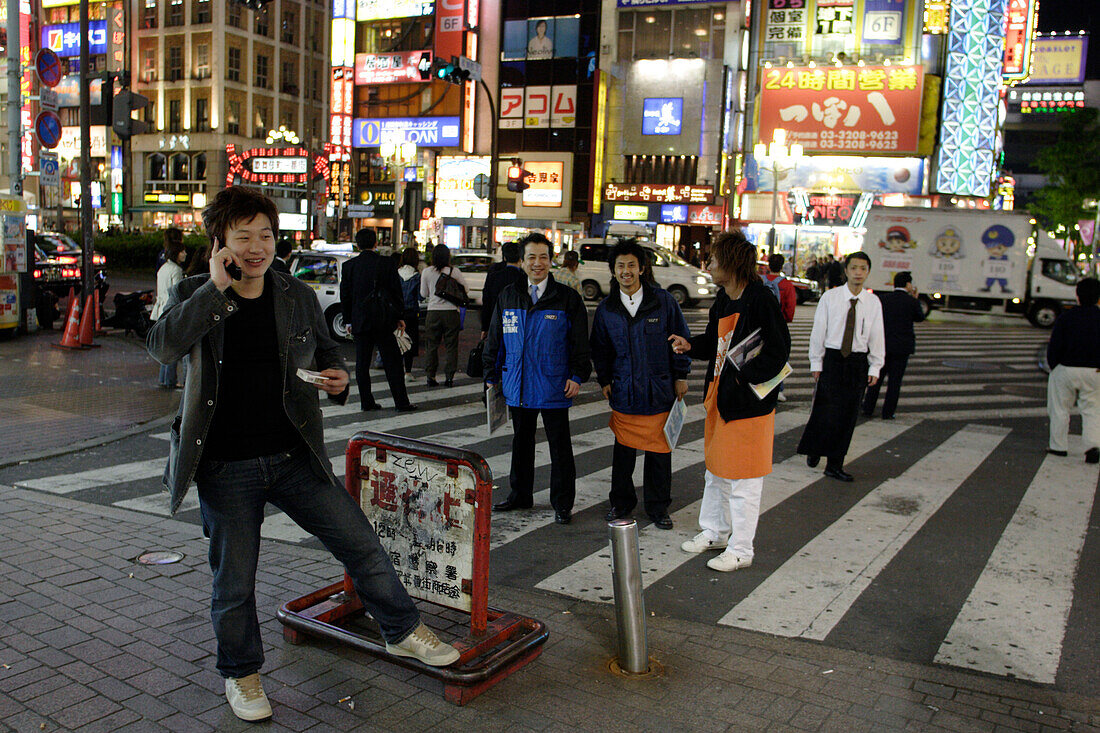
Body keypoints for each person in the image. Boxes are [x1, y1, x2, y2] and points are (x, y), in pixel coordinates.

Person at [146, 187, 457, 723]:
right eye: (242, 237)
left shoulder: (295, 295)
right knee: (235, 581)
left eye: (264, 235)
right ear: (219, 241)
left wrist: (337, 380)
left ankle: (403, 631)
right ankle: (240, 673)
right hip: (225, 466)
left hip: (293, 457)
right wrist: (216, 291)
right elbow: (162, 347)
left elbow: (328, 352)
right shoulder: (197, 291)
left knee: (359, 542)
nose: (255, 248)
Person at [669, 230, 790, 571]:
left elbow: (779, 353)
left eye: (713, 259)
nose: (708, 264)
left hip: (748, 404)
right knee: (717, 473)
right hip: (720, 397)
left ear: (732, 263)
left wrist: (742, 377)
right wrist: (690, 345)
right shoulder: (724, 297)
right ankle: (714, 532)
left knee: (744, 480)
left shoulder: (761, 300)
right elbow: (714, 339)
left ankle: (741, 549)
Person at [483, 232, 591, 525]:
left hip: (555, 384)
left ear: (551, 259)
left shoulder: (566, 298)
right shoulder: (508, 294)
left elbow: (580, 342)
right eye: (531, 257)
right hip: (517, 382)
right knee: (521, 442)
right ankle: (520, 495)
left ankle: (562, 503)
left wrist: (578, 375)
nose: (537, 263)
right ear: (522, 260)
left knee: (560, 446)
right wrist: (491, 375)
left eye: (543, 257)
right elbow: (496, 338)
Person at [591, 240, 690, 529]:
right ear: (613, 270)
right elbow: (600, 348)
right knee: (623, 454)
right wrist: (605, 380)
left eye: (631, 265)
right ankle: (620, 504)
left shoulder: (663, 301)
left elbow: (679, 340)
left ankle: (658, 508)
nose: (626, 271)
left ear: (642, 268)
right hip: (624, 390)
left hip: (660, 389)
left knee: (660, 453)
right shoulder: (607, 309)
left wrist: (681, 376)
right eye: (620, 266)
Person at [797, 251, 885, 481]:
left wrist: (875, 366)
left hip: (857, 362)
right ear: (845, 271)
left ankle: (834, 464)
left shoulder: (873, 302)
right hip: (833, 359)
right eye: (854, 268)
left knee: (848, 415)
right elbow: (819, 331)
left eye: (863, 269)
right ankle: (815, 448)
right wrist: (816, 361)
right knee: (825, 410)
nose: (858, 273)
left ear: (868, 272)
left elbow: (877, 336)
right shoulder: (831, 298)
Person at [340, 228, 417, 412]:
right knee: (393, 362)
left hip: (360, 320)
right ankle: (401, 402)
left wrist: (348, 320)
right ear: (376, 243)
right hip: (383, 319)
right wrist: (399, 316)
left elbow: (346, 296)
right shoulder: (386, 263)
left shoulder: (349, 266)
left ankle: (366, 402)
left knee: (362, 363)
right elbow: (395, 291)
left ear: (357, 244)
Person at [1046, 277, 1100, 463]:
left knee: (1060, 408)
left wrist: (1055, 368)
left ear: (1077, 295)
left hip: (1067, 367)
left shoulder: (1066, 317)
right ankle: (1092, 446)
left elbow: (1054, 347)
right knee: (1092, 409)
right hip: (1095, 371)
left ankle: (1058, 446)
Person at [862, 270, 925, 420]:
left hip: (883, 345)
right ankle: (888, 412)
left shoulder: (883, 299)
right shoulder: (912, 302)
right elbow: (920, 318)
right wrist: (915, 299)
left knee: (876, 378)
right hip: (902, 348)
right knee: (895, 382)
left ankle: (868, 408)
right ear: (908, 284)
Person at [419, 244, 468, 387]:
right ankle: (449, 377)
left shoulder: (427, 272)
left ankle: (430, 376)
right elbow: (466, 289)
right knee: (451, 346)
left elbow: (423, 294)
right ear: (448, 256)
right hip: (451, 312)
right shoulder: (454, 271)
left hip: (433, 312)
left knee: (431, 346)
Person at [151, 234, 188, 388]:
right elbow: (177, 293)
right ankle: (170, 380)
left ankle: (164, 378)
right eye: (183, 252)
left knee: (165, 346)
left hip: (160, 309)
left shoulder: (163, 268)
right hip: (172, 311)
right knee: (173, 346)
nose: (185, 254)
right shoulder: (176, 270)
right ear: (176, 253)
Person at [764, 253, 797, 402]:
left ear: (768, 265)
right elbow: (790, 309)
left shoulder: (760, 281)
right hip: (779, 326)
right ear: (782, 266)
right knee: (779, 357)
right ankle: (777, 389)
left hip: (759, 325)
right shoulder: (786, 285)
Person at [480, 240, 526, 338]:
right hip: (519, 325)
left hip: (496, 322)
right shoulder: (524, 279)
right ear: (520, 259)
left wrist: (485, 327)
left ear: (504, 257)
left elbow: (486, 301)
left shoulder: (494, 277)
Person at [397, 247, 422, 380]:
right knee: (410, 341)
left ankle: (397, 369)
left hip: (398, 313)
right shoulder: (416, 276)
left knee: (398, 339)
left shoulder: (397, 273)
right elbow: (420, 296)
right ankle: (408, 371)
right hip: (412, 313)